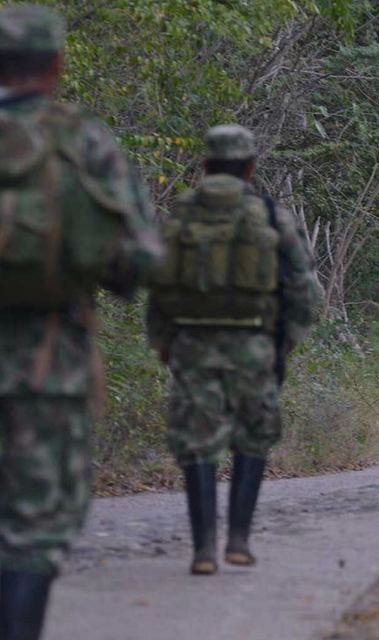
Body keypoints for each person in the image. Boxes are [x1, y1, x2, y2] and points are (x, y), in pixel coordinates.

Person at [0, 5, 161, 632]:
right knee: (37, 525)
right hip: (51, 360)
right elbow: (141, 254)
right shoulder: (83, 140)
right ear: (58, 66)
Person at [146, 124, 321, 575]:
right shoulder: (270, 215)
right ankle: (238, 541)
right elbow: (304, 287)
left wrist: (163, 340)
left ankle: (204, 548)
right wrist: (288, 341)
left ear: (204, 165)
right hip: (254, 344)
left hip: (192, 342)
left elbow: (160, 284)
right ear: (251, 167)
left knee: (197, 442)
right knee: (253, 435)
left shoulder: (182, 213)